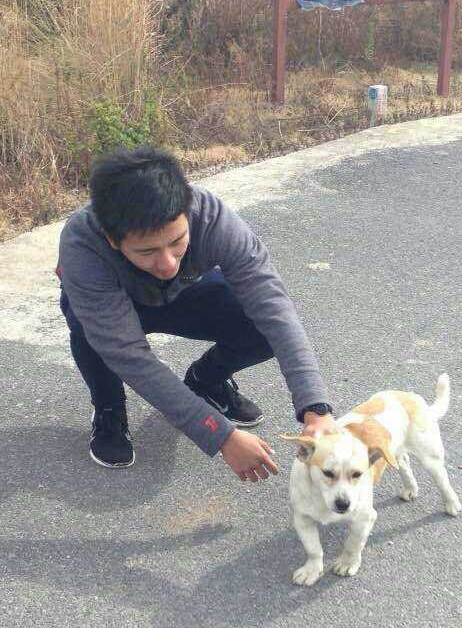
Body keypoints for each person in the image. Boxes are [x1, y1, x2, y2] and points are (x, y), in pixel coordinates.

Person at [56, 146, 339, 481]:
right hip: (113, 306)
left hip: (183, 295)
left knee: (260, 324)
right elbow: (130, 355)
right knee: (86, 327)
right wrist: (220, 434)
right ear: (112, 240)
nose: (167, 263)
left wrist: (316, 408)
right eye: (147, 251)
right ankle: (109, 409)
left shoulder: (212, 216)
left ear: (188, 214)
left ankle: (205, 381)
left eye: (177, 241)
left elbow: (274, 307)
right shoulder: (82, 244)